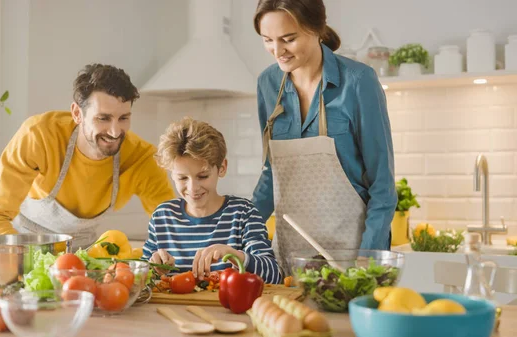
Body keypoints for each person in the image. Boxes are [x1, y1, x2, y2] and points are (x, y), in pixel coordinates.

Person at [251, 0, 397, 274]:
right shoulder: (267, 84)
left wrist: (367, 257)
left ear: (316, 29)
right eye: (267, 40)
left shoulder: (358, 81)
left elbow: (383, 186)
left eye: (288, 39)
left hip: (353, 254)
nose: (277, 51)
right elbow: (273, 173)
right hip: (290, 255)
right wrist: (238, 232)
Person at [0, 64, 175, 248]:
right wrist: (19, 263)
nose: (115, 132)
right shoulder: (39, 136)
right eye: (103, 118)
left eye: (123, 118)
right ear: (77, 114)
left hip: (82, 260)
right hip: (22, 247)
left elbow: (171, 229)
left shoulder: (142, 159)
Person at [142, 117, 282, 284]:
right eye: (182, 178)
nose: (193, 188)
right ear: (172, 174)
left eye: (203, 176)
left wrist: (233, 255)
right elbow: (139, 277)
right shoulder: (162, 217)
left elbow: (274, 275)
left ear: (221, 168)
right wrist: (153, 268)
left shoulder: (243, 213)